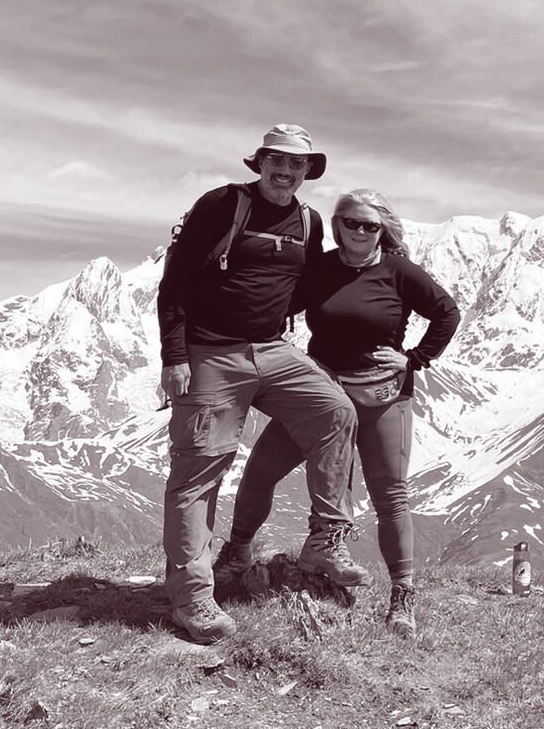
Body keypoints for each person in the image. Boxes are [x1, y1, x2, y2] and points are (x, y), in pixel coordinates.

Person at [158, 125, 371, 645]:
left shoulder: (308, 220)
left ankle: (324, 541)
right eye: (276, 160)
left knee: (335, 413)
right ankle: (192, 598)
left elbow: (298, 288)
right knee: (198, 470)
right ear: (260, 163)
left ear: (306, 172)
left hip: (273, 349)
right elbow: (175, 282)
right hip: (212, 352)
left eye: (296, 164)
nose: (285, 170)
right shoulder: (223, 205)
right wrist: (175, 356)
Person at [217, 189, 460, 637]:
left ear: (383, 229)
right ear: (337, 225)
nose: (360, 232)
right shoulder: (322, 269)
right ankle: (237, 554)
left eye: (370, 225)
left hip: (382, 397)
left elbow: (447, 312)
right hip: (322, 394)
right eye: (351, 222)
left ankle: (402, 597)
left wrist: (414, 358)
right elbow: (280, 305)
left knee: (391, 498)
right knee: (261, 469)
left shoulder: (399, 271)